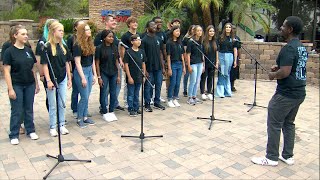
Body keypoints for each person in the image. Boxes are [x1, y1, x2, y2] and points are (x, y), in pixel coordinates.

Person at [251, 16, 308, 166]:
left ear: (290, 29)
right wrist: (279, 68)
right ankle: (288, 156)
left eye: (283, 26)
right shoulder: (301, 47)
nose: (281, 28)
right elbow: (294, 67)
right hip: (299, 92)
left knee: (274, 123)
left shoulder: (289, 48)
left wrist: (273, 75)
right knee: (289, 123)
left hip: (286, 94)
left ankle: (271, 157)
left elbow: (285, 73)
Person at [3, 25, 40, 145]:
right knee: (17, 110)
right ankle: (14, 133)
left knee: (29, 108)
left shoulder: (28, 50)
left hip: (29, 83)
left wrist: (37, 83)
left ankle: (30, 130)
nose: (26, 36)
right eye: (23, 34)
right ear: (15, 36)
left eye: (26, 34)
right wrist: (10, 89)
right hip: (16, 84)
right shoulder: (9, 52)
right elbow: (6, 72)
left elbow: (33, 68)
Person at [41, 22, 72, 137]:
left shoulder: (63, 47)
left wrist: (69, 78)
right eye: (60, 30)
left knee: (62, 102)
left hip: (62, 77)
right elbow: (44, 65)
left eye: (63, 31)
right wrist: (48, 80)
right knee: (53, 104)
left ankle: (62, 124)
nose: (62, 33)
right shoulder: (46, 46)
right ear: (53, 32)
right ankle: (53, 126)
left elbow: (67, 63)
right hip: (52, 79)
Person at [95, 14, 125, 112]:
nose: (115, 22)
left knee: (116, 86)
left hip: (114, 66)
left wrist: (120, 60)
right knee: (105, 89)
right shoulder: (100, 35)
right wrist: (98, 75)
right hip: (104, 68)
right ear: (106, 22)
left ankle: (113, 104)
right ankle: (103, 107)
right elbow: (97, 53)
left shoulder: (114, 36)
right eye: (112, 20)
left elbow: (116, 50)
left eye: (115, 20)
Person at [73, 23, 97, 128]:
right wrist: (83, 77)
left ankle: (85, 116)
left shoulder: (90, 43)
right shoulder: (77, 45)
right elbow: (77, 62)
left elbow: (92, 61)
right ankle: (79, 118)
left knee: (88, 95)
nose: (89, 31)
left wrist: (95, 74)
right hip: (81, 71)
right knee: (84, 96)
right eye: (87, 30)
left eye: (89, 29)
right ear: (82, 32)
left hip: (89, 70)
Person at [95, 30, 120, 122]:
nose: (111, 38)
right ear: (104, 38)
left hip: (113, 72)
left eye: (112, 37)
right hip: (104, 72)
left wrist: (118, 75)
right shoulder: (99, 48)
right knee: (104, 91)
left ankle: (111, 110)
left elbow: (117, 61)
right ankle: (104, 111)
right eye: (109, 37)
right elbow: (97, 63)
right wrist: (99, 77)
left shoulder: (115, 47)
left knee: (113, 92)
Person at [141, 21, 166, 112]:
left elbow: (160, 53)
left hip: (158, 67)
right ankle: (147, 103)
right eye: (152, 25)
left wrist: (163, 67)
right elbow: (142, 56)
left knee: (159, 84)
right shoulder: (144, 40)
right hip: (148, 67)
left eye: (155, 25)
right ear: (147, 27)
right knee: (148, 86)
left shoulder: (158, 39)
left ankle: (157, 102)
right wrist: (145, 70)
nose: (154, 26)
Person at [124, 34, 146, 116]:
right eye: (137, 40)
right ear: (132, 42)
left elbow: (143, 63)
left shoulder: (141, 51)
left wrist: (143, 74)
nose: (139, 41)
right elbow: (126, 65)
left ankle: (136, 107)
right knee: (131, 94)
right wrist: (129, 77)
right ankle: (131, 109)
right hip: (132, 76)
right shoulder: (128, 52)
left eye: (139, 40)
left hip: (139, 76)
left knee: (137, 93)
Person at [120, 16, 139, 109]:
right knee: (128, 82)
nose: (135, 24)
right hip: (128, 62)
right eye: (133, 22)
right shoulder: (125, 36)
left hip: (137, 62)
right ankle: (127, 101)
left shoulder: (139, 35)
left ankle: (135, 102)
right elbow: (122, 49)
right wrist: (123, 62)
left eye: (136, 22)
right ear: (129, 24)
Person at [67, 19, 85, 118]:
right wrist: (70, 69)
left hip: (84, 66)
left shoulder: (85, 38)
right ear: (75, 28)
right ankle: (74, 108)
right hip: (75, 66)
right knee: (76, 89)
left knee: (84, 90)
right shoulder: (71, 38)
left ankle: (83, 109)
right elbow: (68, 53)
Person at [215, 23, 238, 98]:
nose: (228, 28)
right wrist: (217, 60)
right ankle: (220, 92)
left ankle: (227, 91)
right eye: (226, 27)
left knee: (227, 73)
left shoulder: (234, 38)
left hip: (230, 57)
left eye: (229, 27)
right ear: (224, 28)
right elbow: (217, 49)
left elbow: (235, 50)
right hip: (222, 56)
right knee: (222, 73)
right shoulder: (220, 37)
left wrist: (235, 60)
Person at [166, 26, 185, 108]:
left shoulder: (180, 42)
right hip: (173, 64)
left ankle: (175, 98)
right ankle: (169, 99)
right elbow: (168, 56)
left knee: (178, 83)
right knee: (172, 82)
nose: (178, 33)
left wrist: (184, 66)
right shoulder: (169, 43)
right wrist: (169, 68)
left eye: (179, 31)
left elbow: (182, 55)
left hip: (180, 64)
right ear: (172, 32)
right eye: (176, 31)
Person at [186, 25, 205, 105]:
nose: (199, 32)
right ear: (194, 32)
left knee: (197, 80)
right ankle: (189, 97)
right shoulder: (191, 41)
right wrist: (189, 65)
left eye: (201, 30)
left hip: (200, 62)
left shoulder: (201, 41)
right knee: (193, 80)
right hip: (193, 63)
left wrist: (203, 64)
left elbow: (202, 54)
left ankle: (194, 96)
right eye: (198, 30)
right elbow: (188, 54)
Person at [200, 25, 219, 101]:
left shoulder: (215, 41)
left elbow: (217, 52)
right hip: (205, 62)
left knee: (211, 78)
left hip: (213, 62)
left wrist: (217, 62)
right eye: (210, 31)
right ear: (207, 32)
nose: (212, 32)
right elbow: (202, 54)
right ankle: (202, 92)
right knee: (204, 77)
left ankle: (209, 92)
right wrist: (203, 64)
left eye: (213, 31)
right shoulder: (204, 41)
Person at [182, 25, 195, 97]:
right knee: (186, 75)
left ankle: (192, 90)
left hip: (195, 59)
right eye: (192, 29)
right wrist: (186, 60)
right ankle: (185, 89)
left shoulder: (197, 38)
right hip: (188, 58)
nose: (193, 30)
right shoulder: (186, 39)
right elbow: (184, 50)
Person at [230, 25, 241, 92]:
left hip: (235, 57)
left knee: (234, 72)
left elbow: (239, 49)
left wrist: (239, 58)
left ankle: (232, 85)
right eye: (232, 28)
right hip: (228, 56)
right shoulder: (227, 38)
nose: (234, 30)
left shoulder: (237, 38)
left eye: (235, 29)